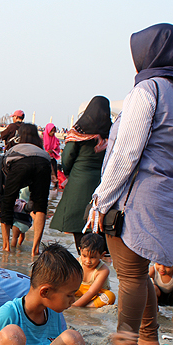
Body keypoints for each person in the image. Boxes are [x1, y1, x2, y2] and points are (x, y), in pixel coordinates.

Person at [86, 23, 173, 345]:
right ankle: (148, 341)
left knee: (130, 275)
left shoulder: (148, 90)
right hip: (168, 194)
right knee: (139, 273)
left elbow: (126, 153)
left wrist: (101, 200)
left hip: (137, 194)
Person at [49, 96, 113, 249]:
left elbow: (67, 158)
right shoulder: (113, 130)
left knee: (77, 224)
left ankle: (83, 261)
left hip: (78, 181)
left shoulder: (79, 130)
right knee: (98, 225)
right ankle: (98, 266)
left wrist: (70, 173)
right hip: (104, 182)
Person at [0, 123, 51, 255]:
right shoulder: (42, 151)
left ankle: (6, 246)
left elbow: (5, 170)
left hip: (19, 162)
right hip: (43, 163)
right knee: (40, 206)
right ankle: (35, 249)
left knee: (7, 203)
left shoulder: (15, 147)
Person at [72, 233, 115, 308]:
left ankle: (88, 306)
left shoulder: (103, 270)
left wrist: (74, 306)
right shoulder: (77, 263)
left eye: (92, 257)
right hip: (79, 290)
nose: (88, 261)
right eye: (84, 256)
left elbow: (92, 292)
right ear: (80, 251)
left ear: (102, 255)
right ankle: (83, 304)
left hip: (95, 293)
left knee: (110, 297)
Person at [42, 123, 62, 187]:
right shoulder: (42, 138)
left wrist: (53, 151)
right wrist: (46, 152)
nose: (53, 132)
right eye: (51, 131)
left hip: (52, 159)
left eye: (54, 131)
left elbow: (58, 149)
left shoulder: (55, 139)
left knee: (54, 177)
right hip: (44, 160)